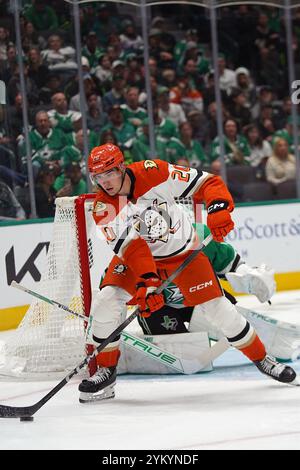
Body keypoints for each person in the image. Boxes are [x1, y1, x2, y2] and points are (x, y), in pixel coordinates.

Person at [78, 143, 297, 403]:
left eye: (109, 173)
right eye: (98, 177)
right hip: (138, 260)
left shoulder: (155, 172)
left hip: (183, 253)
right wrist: (148, 284)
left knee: (219, 310)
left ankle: (263, 360)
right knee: (106, 300)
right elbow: (133, 249)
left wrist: (217, 208)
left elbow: (208, 182)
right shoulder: (103, 207)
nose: (105, 182)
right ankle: (106, 371)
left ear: (122, 166)